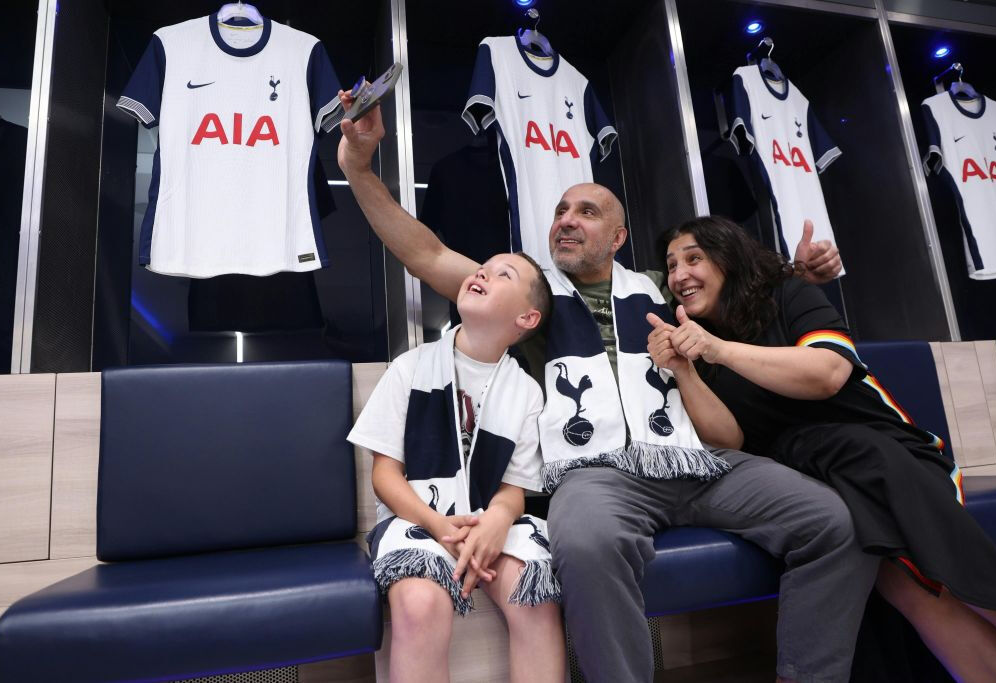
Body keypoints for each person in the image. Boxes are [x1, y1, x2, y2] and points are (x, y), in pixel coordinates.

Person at [337, 89, 878, 683]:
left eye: (587, 213)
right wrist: (358, 167)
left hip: (694, 461)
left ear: (618, 239)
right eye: (561, 212)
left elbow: (740, 285)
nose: (566, 220)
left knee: (834, 521)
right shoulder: (529, 297)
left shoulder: (663, 288)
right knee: (588, 544)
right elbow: (425, 252)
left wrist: (797, 273)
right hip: (598, 476)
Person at [648, 214, 996, 681]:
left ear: (729, 258)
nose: (680, 275)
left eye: (694, 258)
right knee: (918, 599)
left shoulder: (787, 295)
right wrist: (685, 368)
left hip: (881, 458)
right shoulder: (690, 345)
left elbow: (827, 375)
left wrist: (719, 349)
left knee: (959, 586)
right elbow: (732, 441)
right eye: (671, 265)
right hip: (815, 484)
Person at [348, 251, 565, 683]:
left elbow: (512, 487)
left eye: (504, 274)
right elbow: (385, 475)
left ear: (526, 318)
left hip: (489, 519)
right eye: (483, 267)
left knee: (533, 594)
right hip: (417, 517)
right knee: (420, 602)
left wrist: (495, 524)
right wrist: (438, 525)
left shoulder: (526, 391)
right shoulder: (408, 368)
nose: (482, 272)